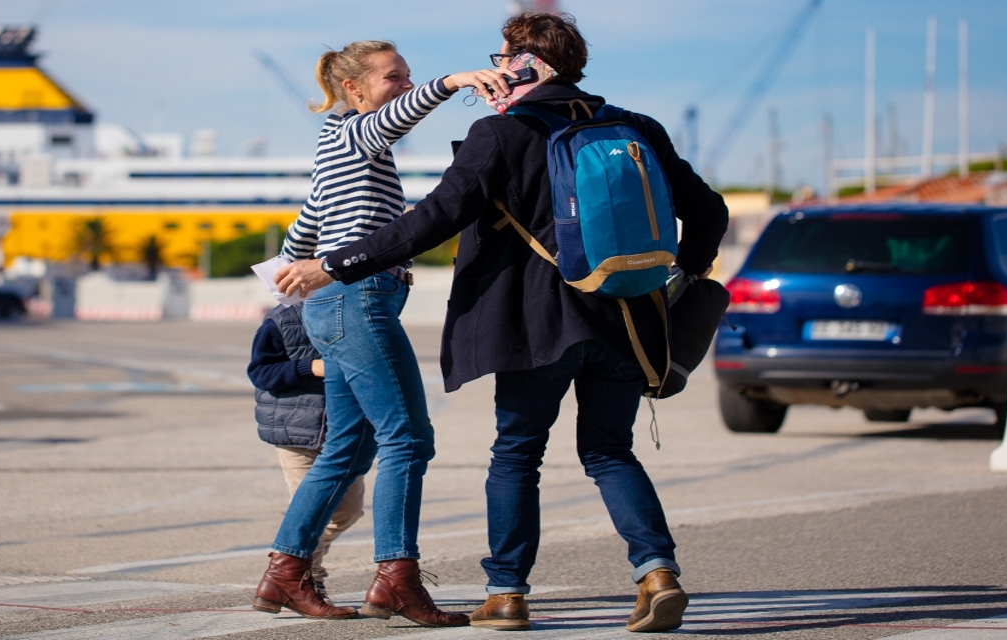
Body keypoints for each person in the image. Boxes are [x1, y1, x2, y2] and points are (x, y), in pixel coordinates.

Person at [274, 13, 730, 634]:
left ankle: (507, 593)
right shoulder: (635, 128)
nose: (493, 71)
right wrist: (688, 276)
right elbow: (708, 210)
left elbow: (433, 218)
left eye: (502, 58)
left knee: (517, 454)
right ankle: (656, 573)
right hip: (625, 317)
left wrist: (338, 263)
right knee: (609, 450)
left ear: (526, 65)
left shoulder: (500, 134)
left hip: (534, 325)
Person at [252, 40, 516, 627]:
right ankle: (396, 579)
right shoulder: (354, 133)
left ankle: (284, 575)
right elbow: (394, 119)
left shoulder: (338, 149)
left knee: (347, 448)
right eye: (393, 77)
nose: (403, 85)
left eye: (409, 77)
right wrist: (449, 82)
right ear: (356, 89)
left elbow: (307, 223)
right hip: (357, 299)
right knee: (407, 439)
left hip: (339, 302)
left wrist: (288, 275)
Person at [246, 303, 364, 599]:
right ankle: (304, 576)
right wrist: (310, 366)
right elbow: (261, 371)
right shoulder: (282, 319)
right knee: (312, 510)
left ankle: (285, 557)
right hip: (297, 433)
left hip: (345, 432)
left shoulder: (357, 311)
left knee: (348, 511)